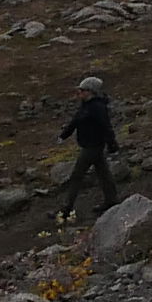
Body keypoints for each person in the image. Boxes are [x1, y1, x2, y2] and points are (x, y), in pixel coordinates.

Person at [52, 75, 121, 220]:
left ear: (90, 91)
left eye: (82, 90)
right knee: (103, 173)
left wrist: (112, 144)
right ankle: (111, 199)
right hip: (91, 146)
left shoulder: (97, 107)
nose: (79, 93)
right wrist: (63, 136)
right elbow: (75, 122)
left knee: (77, 176)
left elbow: (105, 126)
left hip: (93, 146)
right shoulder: (87, 106)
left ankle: (66, 208)